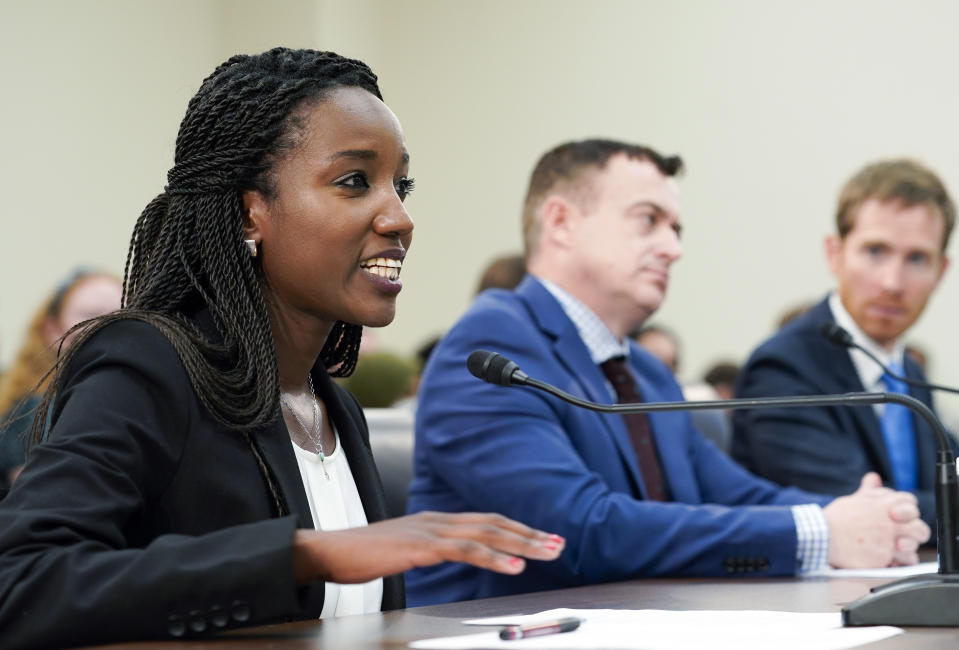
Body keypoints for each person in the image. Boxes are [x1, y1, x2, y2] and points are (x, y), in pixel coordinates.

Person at [0, 48, 563, 648]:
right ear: (251, 213)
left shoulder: (331, 406)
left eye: (401, 186)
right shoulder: (148, 364)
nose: (400, 218)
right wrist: (302, 554)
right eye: (355, 181)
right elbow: (21, 581)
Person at [406, 139, 929, 605]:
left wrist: (868, 518)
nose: (674, 249)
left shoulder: (647, 374)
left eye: (676, 229)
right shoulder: (493, 345)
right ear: (561, 222)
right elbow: (577, 530)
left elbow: (740, 494)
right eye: (648, 220)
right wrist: (819, 530)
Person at [732, 159, 957, 530]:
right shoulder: (783, 366)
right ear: (834, 253)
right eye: (875, 251)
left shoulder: (908, 373)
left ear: (942, 272)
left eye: (917, 258)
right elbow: (864, 512)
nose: (893, 282)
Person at [0, 268, 122, 489]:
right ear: (52, 330)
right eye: (91, 315)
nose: (108, 325)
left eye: (121, 315)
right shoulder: (34, 408)